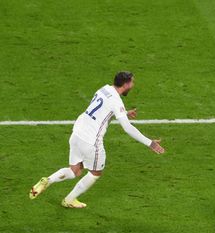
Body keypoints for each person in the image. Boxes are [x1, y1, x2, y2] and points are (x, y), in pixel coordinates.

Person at [29, 71, 165, 207]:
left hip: (77, 133)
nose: (133, 85)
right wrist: (150, 143)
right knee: (95, 172)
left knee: (74, 170)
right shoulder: (117, 102)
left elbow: (102, 111)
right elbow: (127, 128)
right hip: (91, 141)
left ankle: (47, 180)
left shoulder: (104, 89)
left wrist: (123, 113)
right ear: (126, 84)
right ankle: (69, 200)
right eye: (132, 82)